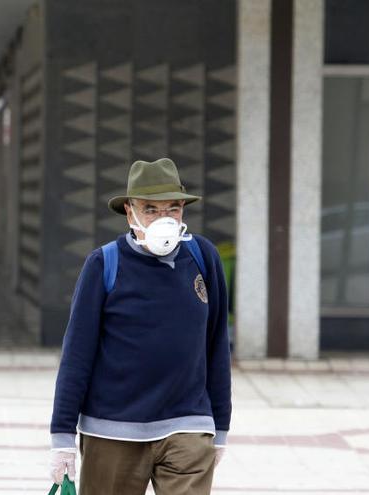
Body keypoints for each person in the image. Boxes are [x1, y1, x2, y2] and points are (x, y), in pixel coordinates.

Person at [48, 158, 232, 494]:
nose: (164, 218)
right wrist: (62, 437)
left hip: (188, 426)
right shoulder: (104, 263)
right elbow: (76, 353)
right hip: (113, 431)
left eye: (173, 209)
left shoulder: (204, 257)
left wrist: (220, 426)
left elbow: (217, 343)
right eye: (150, 209)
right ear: (130, 213)